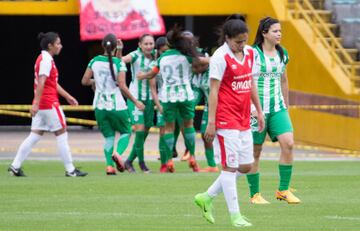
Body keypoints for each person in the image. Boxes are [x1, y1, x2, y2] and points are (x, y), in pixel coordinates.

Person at [193, 19, 264, 227]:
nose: (241, 45)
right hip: (225, 119)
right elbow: (213, 90)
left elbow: (251, 82)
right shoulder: (220, 57)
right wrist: (212, 122)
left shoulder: (251, 53)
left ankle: (206, 197)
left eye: (244, 41)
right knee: (229, 168)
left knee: (246, 166)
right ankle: (235, 216)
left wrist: (258, 111)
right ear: (227, 39)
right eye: (237, 42)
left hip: (243, 117)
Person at [8, 32, 88, 177]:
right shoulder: (46, 60)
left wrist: (68, 96)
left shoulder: (43, 58)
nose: (60, 46)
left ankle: (15, 165)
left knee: (35, 135)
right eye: (58, 43)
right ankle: (70, 170)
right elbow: (42, 82)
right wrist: (35, 103)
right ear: (50, 46)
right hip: (49, 103)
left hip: (43, 104)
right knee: (62, 133)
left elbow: (52, 83)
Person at [137, 26, 209, 172]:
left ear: (168, 43)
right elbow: (203, 61)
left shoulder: (162, 57)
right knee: (188, 126)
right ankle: (193, 157)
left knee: (169, 128)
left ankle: (169, 160)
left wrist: (142, 75)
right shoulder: (186, 56)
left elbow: (152, 74)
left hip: (168, 96)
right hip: (185, 94)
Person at [245, 17, 300, 204]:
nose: (279, 34)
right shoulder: (251, 53)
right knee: (255, 151)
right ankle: (255, 194)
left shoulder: (282, 53)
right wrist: (251, 107)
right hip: (255, 110)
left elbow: (284, 80)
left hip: (277, 108)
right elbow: (245, 81)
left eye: (280, 31)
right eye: (275, 31)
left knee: (289, 143)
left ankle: (283, 190)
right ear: (264, 33)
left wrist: (286, 105)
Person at [81, 33, 144, 175]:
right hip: (116, 105)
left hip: (99, 105)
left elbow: (85, 81)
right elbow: (122, 86)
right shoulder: (119, 63)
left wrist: (94, 81)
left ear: (103, 45)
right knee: (126, 131)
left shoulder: (94, 61)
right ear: (116, 46)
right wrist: (135, 101)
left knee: (109, 136)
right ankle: (118, 153)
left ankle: (109, 166)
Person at [117, 34, 161, 173]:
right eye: (146, 44)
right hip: (135, 98)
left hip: (149, 99)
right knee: (140, 131)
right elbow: (119, 61)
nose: (149, 46)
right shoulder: (135, 55)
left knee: (144, 133)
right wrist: (119, 50)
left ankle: (129, 161)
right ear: (140, 45)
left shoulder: (156, 56)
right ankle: (142, 164)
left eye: (151, 43)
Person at [191, 51, 218, 172]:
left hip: (225, 106)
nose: (196, 69)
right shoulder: (197, 76)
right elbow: (197, 94)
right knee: (205, 134)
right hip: (209, 107)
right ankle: (212, 165)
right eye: (194, 66)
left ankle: (236, 161)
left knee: (227, 135)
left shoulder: (215, 69)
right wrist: (188, 107)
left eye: (199, 65)